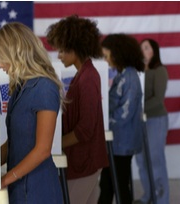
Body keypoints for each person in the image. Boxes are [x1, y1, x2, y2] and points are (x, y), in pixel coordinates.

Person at [0, 22, 63, 204]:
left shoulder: (44, 87)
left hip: (39, 189)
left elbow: (43, 150)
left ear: (16, 54)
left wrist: (5, 179)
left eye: (2, 58)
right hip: (18, 186)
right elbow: (13, 143)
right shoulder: (21, 87)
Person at [46, 15, 109, 204]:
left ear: (75, 47)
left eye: (62, 50)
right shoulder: (83, 75)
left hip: (85, 161)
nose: (59, 55)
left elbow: (86, 128)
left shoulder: (88, 77)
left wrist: (53, 146)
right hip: (84, 160)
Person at [98, 34, 144, 204]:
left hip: (121, 142)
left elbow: (125, 113)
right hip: (116, 142)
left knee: (119, 186)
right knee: (108, 184)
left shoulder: (130, 78)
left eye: (106, 56)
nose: (105, 60)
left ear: (117, 54)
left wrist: (103, 123)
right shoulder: (122, 75)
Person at [134, 39, 169, 204]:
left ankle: (161, 199)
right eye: (141, 48)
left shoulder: (160, 71)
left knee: (155, 160)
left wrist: (139, 108)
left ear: (154, 51)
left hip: (156, 120)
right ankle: (149, 196)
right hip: (139, 121)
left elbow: (158, 99)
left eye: (146, 48)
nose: (143, 51)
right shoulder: (137, 71)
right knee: (141, 161)